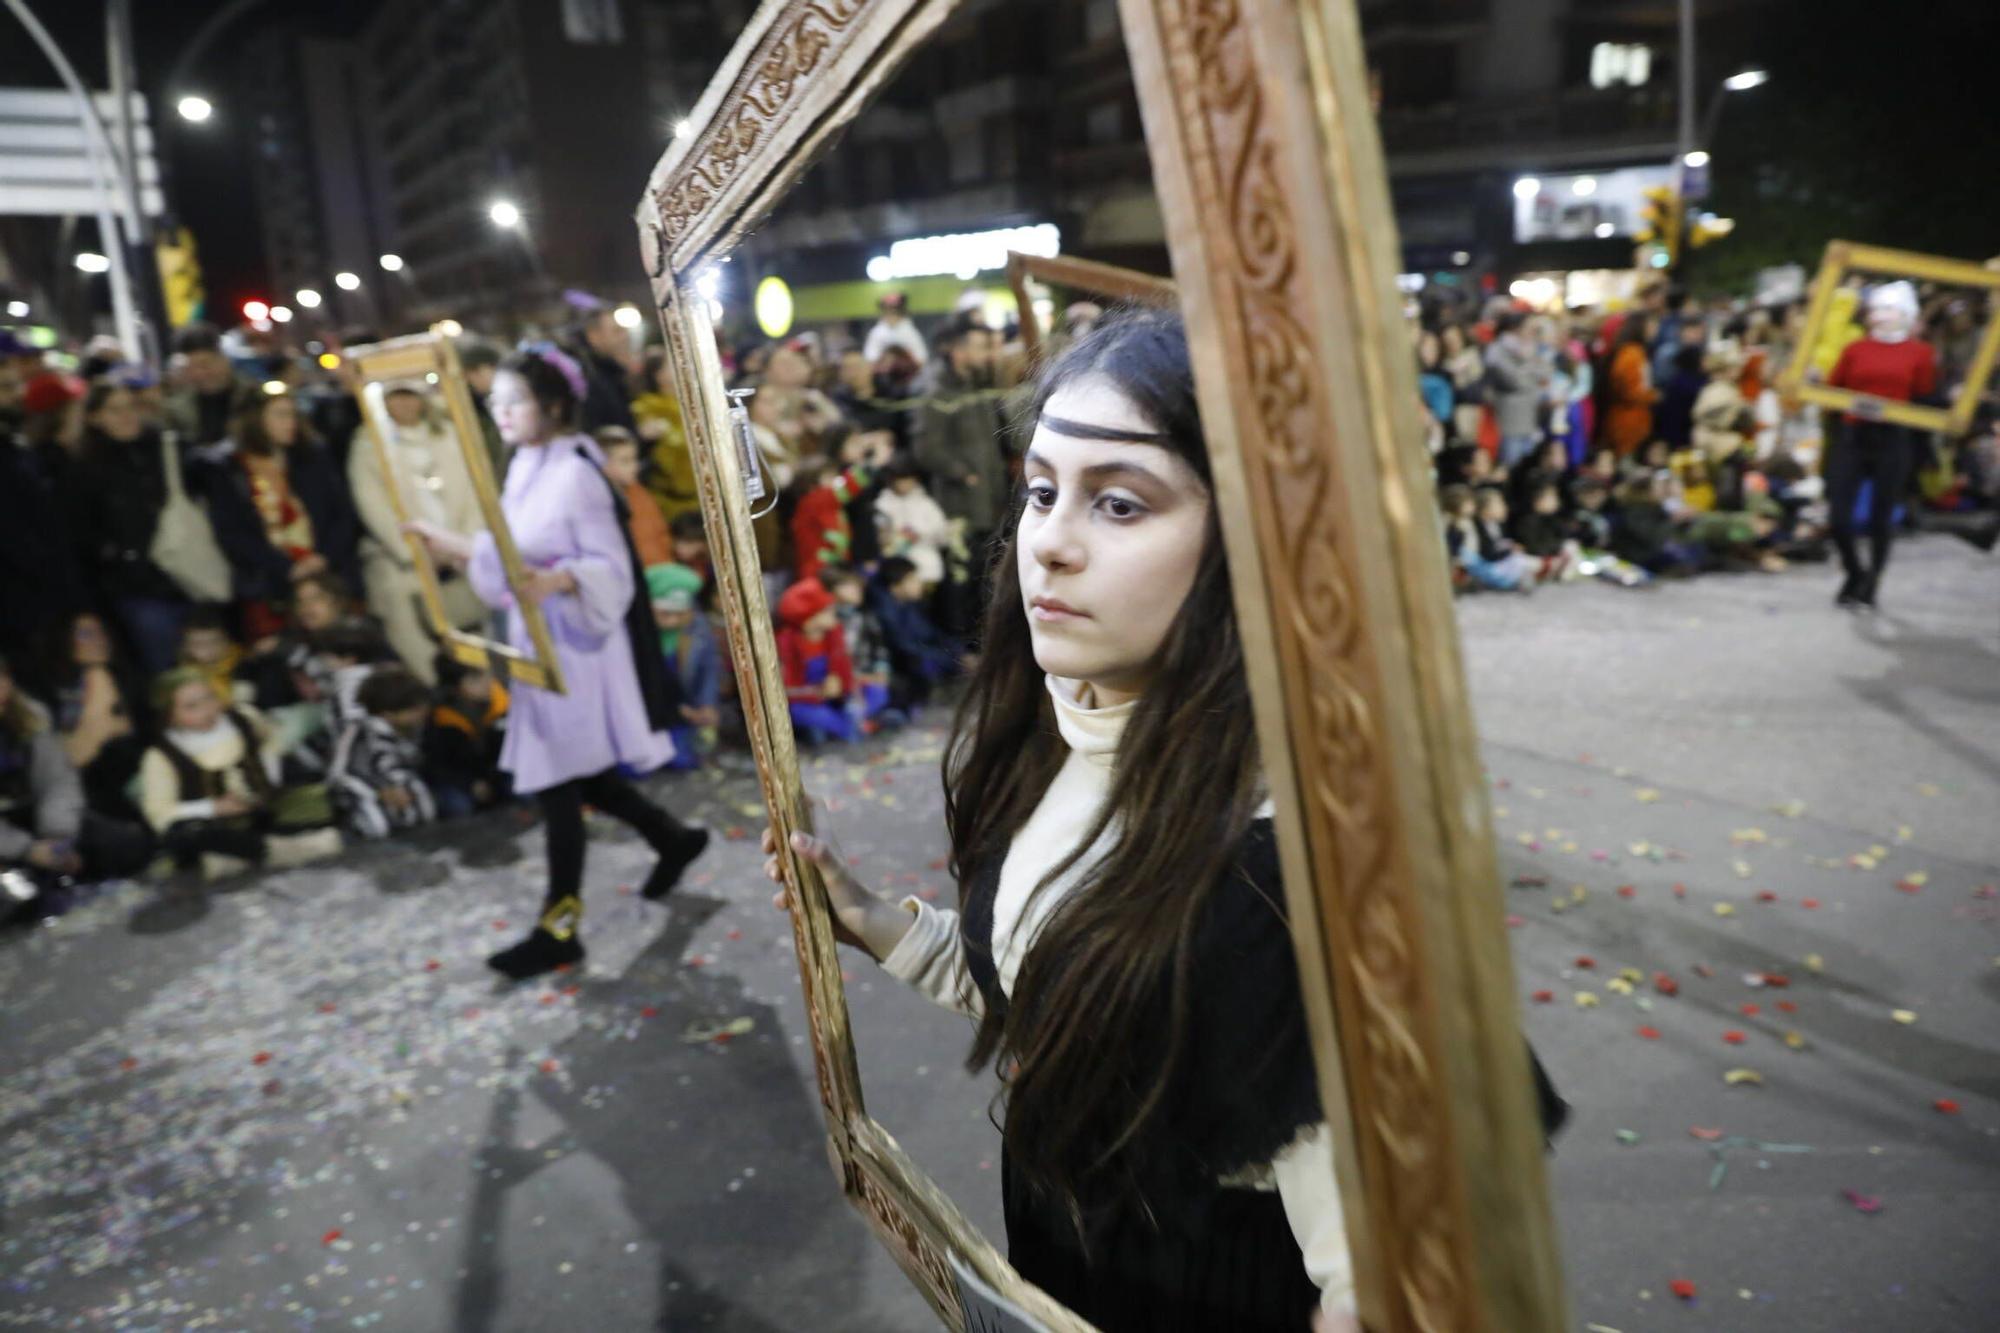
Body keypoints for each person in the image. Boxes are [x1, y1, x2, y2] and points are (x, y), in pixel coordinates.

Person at [763, 311, 1456, 1331]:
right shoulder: (1058, 737)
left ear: (1254, 542)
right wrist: (877, 924)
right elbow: (1076, 1012)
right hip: (1059, 1243)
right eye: (1041, 490)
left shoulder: (1280, 867)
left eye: (1119, 503)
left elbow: (1380, 1262)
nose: (1048, 541)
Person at [405, 347, 709, 980]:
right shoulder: (525, 463)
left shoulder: (576, 473)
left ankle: (558, 924)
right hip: (538, 640)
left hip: (577, 651)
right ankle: (671, 837)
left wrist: (563, 581)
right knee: (576, 774)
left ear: (550, 405)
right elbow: (511, 556)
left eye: (513, 401)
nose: (502, 413)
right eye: (498, 403)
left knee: (556, 780)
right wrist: (457, 549)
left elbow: (612, 573)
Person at [137, 669, 342, 878]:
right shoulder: (161, 756)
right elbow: (159, 812)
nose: (207, 710)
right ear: (169, 715)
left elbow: (271, 740)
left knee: (326, 796)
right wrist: (214, 807)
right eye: (191, 707)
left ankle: (242, 856)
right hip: (218, 826)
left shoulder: (243, 718)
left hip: (266, 808)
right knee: (184, 835)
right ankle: (282, 850)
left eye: (210, 698)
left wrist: (269, 771)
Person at [349, 382, 487, 683]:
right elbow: (371, 502)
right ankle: (439, 686)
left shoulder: (448, 434)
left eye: (410, 396)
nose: (405, 405)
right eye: (396, 397)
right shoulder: (368, 444)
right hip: (406, 558)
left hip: (459, 551)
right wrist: (414, 550)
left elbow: (474, 491)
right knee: (410, 623)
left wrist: (460, 544)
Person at [196, 390, 360, 641]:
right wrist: (286, 567)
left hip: (330, 576)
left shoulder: (313, 455)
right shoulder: (226, 468)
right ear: (255, 419)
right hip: (271, 586)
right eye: (281, 415)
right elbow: (232, 533)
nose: (291, 423)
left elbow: (342, 512)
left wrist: (323, 557)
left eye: (293, 415)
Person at [0, 654, 151, 923]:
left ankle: (59, 871)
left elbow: (58, 780)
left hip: (42, 820)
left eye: (3, 678)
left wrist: (58, 837)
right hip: (8, 841)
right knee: (16, 900)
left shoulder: (30, 716)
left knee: (128, 846)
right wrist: (27, 850)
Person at [1824, 281, 1938, 609]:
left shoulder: (1920, 353)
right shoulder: (1855, 349)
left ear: (1905, 314)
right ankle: (1854, 571)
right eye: (1876, 309)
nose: (1880, 316)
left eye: (1888, 309)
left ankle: (1873, 579)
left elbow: (1924, 395)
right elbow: (1834, 389)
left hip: (1892, 439)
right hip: (1854, 437)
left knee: (1880, 516)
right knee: (1839, 516)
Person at [69, 382, 192, 674]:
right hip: (138, 588)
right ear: (95, 418)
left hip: (186, 574)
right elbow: (81, 538)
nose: (127, 416)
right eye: (115, 409)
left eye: (131, 407)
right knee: (166, 668)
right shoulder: (83, 469)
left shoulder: (163, 449)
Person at [913, 317, 1007, 635]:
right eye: (980, 347)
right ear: (958, 352)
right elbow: (926, 450)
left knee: (981, 578)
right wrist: (963, 474)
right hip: (959, 507)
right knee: (960, 581)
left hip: (986, 503)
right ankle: (959, 648)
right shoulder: (938, 393)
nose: (987, 354)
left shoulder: (976, 389)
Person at [328, 665, 436, 840]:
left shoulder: (408, 730)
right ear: (389, 714)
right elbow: (342, 775)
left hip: (404, 802)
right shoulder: (361, 734)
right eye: (414, 710)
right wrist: (382, 790)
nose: (422, 713)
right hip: (368, 805)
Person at [644, 564, 720, 770]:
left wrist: (706, 704)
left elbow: (708, 669)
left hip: (684, 705)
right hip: (647, 711)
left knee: (682, 761)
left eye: (679, 614)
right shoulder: (637, 635)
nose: (672, 621)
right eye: (664, 614)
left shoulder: (697, 628)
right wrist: (676, 710)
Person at [866, 555, 960, 710]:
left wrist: (958, 651)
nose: (919, 584)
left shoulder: (907, 604)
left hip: (916, 656)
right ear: (895, 585)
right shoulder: (883, 612)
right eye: (913, 580)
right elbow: (902, 647)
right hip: (895, 666)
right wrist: (951, 659)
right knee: (923, 662)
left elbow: (928, 632)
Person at [424, 653, 511, 817]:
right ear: (456, 687)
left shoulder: (503, 701)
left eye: (488, 674)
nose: (487, 684)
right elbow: (437, 765)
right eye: (474, 680)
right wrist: (470, 784)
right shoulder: (442, 719)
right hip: (462, 778)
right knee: (459, 807)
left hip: (498, 771)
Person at [776, 576, 861, 744]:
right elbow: (784, 689)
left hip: (832, 698)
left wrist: (838, 681)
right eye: (827, 610)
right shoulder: (785, 642)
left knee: (859, 704)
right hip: (804, 702)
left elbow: (844, 668)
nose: (834, 613)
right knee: (818, 721)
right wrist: (817, 692)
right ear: (808, 619)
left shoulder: (834, 635)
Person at [821, 564, 896, 728]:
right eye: (849, 586)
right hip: (839, 681)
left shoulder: (866, 618)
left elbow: (879, 649)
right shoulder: (826, 620)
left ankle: (862, 719)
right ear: (832, 590)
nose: (857, 590)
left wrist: (880, 670)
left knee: (879, 693)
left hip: (865, 675)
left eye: (858, 586)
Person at [633, 347, 701, 526]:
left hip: (701, 491)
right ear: (657, 374)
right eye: (671, 365)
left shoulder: (694, 403)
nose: (681, 367)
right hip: (671, 499)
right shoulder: (647, 407)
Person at [163, 323, 260, 448]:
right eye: (191, 367)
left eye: (205, 364)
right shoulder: (176, 410)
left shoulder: (254, 397)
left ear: (224, 360)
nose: (200, 374)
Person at [596, 426, 673, 567]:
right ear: (602, 463)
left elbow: (661, 536)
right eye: (625, 461)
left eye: (634, 459)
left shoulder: (640, 494)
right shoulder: (595, 502)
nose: (635, 467)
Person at [1484, 312, 1551, 470]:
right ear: (1515, 328)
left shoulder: (1529, 349)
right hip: (1510, 421)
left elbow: (1546, 372)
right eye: (1529, 328)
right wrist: (1531, 368)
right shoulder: (1497, 350)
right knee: (1511, 467)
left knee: (1527, 468)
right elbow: (1515, 380)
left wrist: (1530, 367)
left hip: (1530, 419)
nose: (1532, 333)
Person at [872, 456, 951, 591]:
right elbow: (880, 537)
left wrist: (919, 533)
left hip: (928, 571)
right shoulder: (882, 505)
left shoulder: (925, 503)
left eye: (908, 479)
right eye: (901, 479)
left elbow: (943, 535)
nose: (905, 484)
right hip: (896, 573)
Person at [570, 306, 641, 435]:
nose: (625, 336)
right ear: (593, 335)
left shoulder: (608, 371)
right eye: (617, 331)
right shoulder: (587, 377)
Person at [1602, 314, 1659, 456]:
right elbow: (1631, 391)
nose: (1655, 330)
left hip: (1634, 416)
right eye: (1651, 326)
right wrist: (1653, 396)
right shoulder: (1632, 354)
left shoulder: (1634, 352)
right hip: (1629, 419)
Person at [863, 291, 928, 368]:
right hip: (882, 376)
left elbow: (921, 359)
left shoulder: (911, 332)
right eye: (888, 310)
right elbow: (869, 360)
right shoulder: (876, 333)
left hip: (909, 375)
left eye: (895, 311)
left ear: (902, 311)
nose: (891, 314)